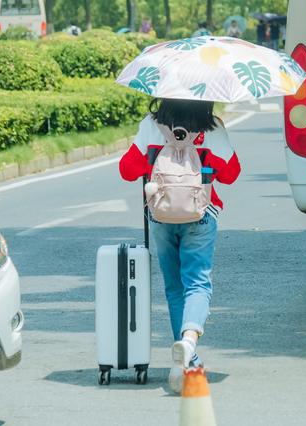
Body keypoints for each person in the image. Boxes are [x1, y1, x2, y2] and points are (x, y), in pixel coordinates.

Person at [119, 98, 241, 393]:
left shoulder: (152, 126)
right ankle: (188, 343)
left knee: (174, 288)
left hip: (161, 216)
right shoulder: (211, 128)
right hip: (201, 215)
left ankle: (187, 361)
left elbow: (127, 169)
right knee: (197, 284)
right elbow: (231, 173)